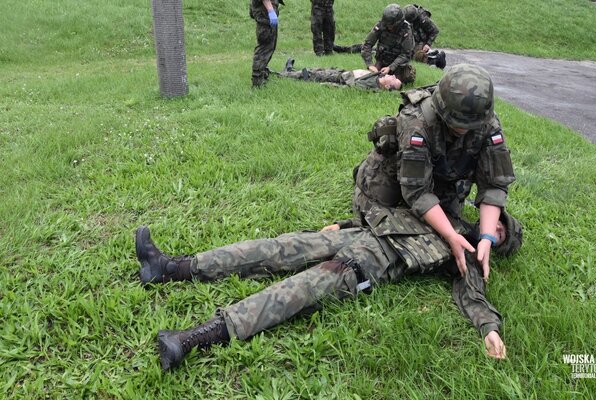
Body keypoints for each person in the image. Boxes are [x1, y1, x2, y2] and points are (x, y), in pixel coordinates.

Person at [136, 203, 522, 371]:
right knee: (275, 248)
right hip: (354, 236)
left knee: (297, 289)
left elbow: (472, 293)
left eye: (501, 235)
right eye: (498, 223)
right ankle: (170, 268)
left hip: (366, 264)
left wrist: (489, 329)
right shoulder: (447, 213)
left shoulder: (468, 256)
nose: (495, 229)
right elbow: (397, 214)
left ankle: (191, 339)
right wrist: (341, 224)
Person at [353, 63, 517, 282]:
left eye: (470, 125)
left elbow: (494, 184)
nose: (465, 130)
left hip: (440, 178)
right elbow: (417, 191)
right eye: (458, 124)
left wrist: (487, 237)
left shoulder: (486, 122)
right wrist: (450, 235)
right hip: (389, 180)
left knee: (444, 223)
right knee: (379, 219)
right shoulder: (417, 123)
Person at [361, 4, 416, 84]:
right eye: (386, 24)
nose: (388, 27)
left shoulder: (406, 31)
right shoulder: (381, 25)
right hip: (382, 59)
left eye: (390, 25)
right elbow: (367, 44)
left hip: (398, 64)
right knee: (373, 79)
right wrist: (370, 64)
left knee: (396, 84)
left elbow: (406, 54)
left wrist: (390, 67)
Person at [278, 58, 403, 91]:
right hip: (342, 72)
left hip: (340, 78)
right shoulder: (378, 77)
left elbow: (348, 87)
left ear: (387, 87)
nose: (393, 76)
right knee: (317, 70)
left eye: (393, 80)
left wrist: (326, 85)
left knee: (312, 74)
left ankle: (283, 75)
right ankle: (291, 72)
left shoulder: (371, 86)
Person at [250, 0, 282, 88]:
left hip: (264, 12)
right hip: (265, 13)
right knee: (264, 48)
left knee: (269, 46)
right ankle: (257, 81)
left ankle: (262, 74)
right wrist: (270, 10)